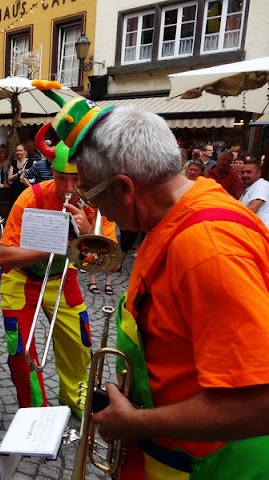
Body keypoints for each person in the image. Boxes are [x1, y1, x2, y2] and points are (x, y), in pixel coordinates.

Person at [43, 91, 269, 477]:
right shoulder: (175, 214)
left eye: (88, 191)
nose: (87, 205)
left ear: (124, 188)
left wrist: (135, 424)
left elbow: (259, 403)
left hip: (208, 467)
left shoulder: (207, 250)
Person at [0, 141, 93, 419]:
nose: (67, 188)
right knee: (20, 349)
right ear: (51, 170)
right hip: (21, 279)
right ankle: (34, 409)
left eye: (75, 180)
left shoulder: (95, 201)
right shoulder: (30, 197)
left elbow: (107, 260)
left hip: (63, 278)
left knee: (79, 340)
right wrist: (50, 246)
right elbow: (4, 256)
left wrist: (87, 232)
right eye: (61, 178)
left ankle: (74, 393)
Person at [240, 159, 269, 229]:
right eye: (242, 172)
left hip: (261, 232)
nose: (244, 175)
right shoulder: (252, 186)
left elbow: (252, 209)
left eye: (248, 172)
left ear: (258, 173)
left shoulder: (261, 185)